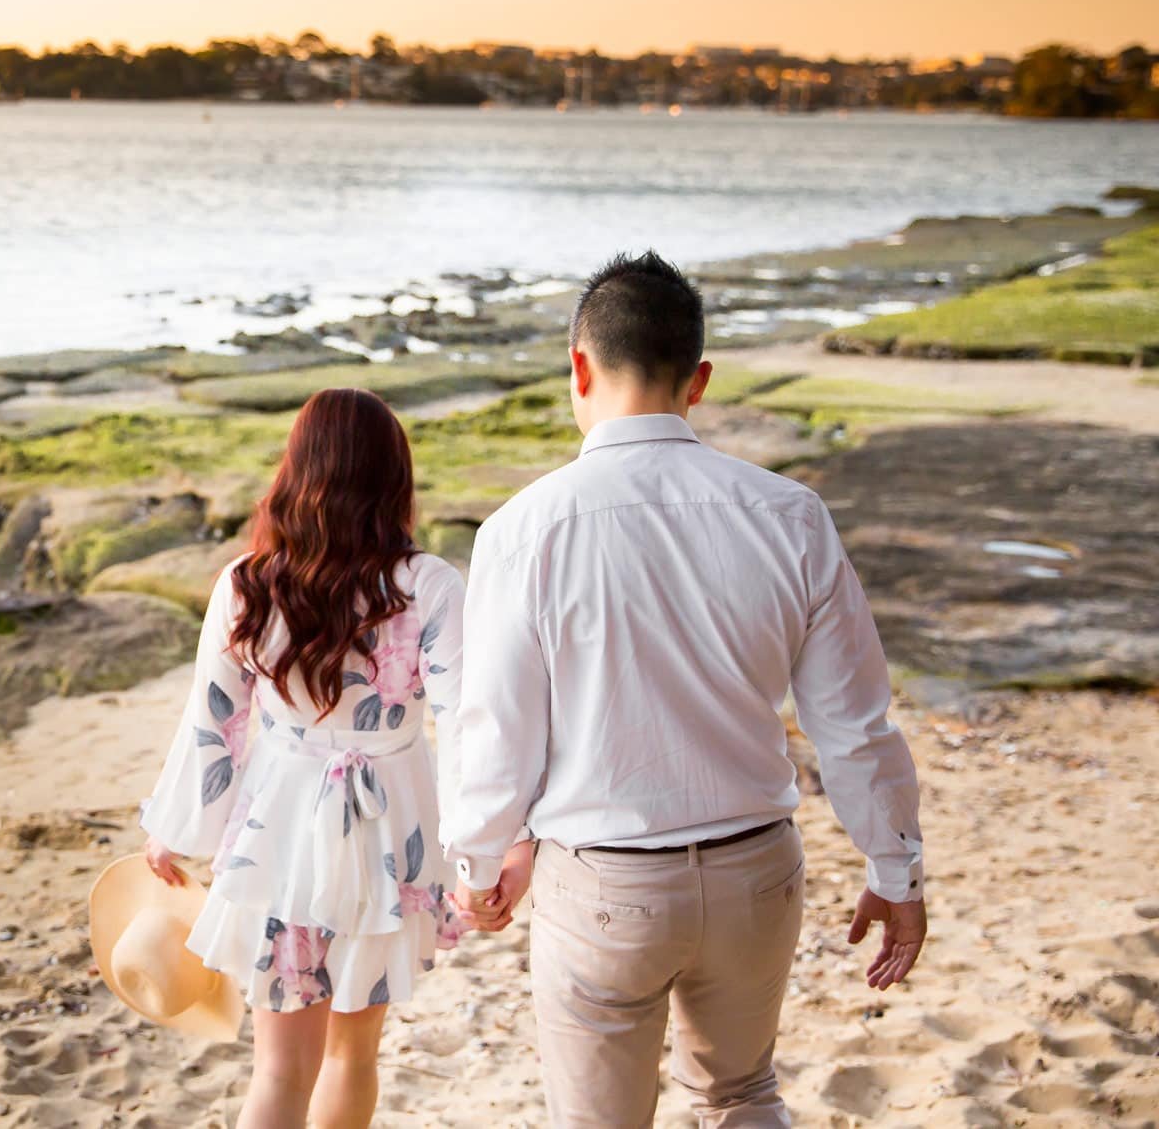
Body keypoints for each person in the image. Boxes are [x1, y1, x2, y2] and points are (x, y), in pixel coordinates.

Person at [444, 251, 928, 1128]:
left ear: (579, 369)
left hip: (602, 888)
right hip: (755, 871)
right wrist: (894, 864)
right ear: (698, 380)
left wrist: (477, 862)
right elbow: (854, 724)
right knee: (742, 1095)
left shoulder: (521, 532)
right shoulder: (791, 514)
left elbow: (497, 731)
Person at [139, 387, 528, 1129]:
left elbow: (214, 724)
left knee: (280, 1069)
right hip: (391, 832)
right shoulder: (431, 585)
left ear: (297, 470)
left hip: (276, 834)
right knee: (353, 1056)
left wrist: (176, 831)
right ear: (394, 478)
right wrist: (485, 854)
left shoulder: (247, 583)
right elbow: (467, 729)